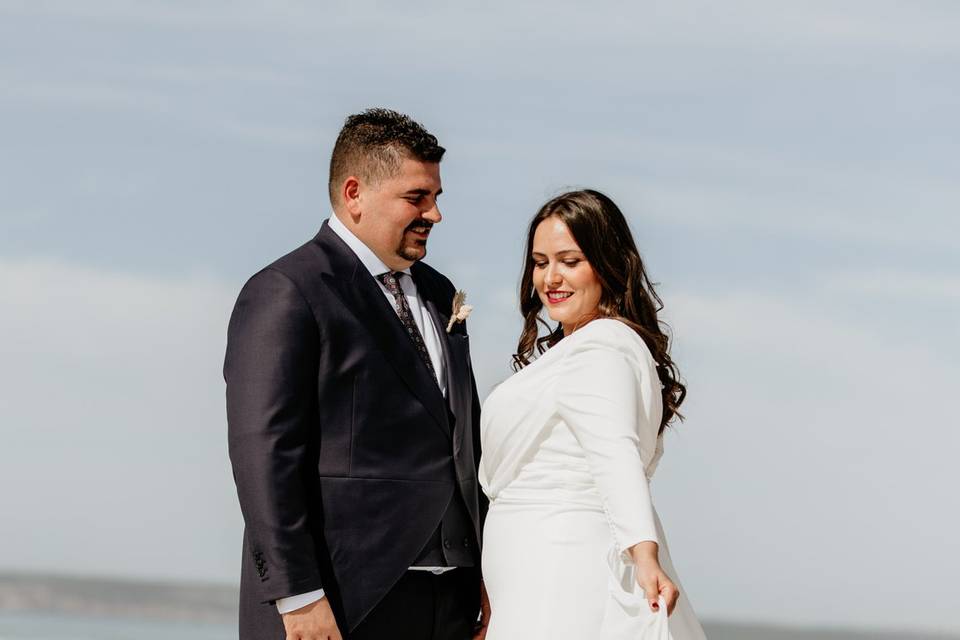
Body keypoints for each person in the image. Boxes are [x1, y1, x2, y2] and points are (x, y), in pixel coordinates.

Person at [225, 108, 488, 640]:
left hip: (448, 604)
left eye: (436, 198)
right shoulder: (288, 290)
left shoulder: (438, 293)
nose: (434, 214)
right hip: (341, 601)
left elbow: (463, 441)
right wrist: (298, 595)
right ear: (354, 193)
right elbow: (264, 453)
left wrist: (486, 572)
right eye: (417, 198)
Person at [478, 190, 706, 639]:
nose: (551, 278)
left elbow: (614, 452)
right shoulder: (582, 348)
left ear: (605, 263)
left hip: (559, 563)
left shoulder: (601, 347)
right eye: (541, 263)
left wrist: (644, 554)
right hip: (531, 566)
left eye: (570, 261)